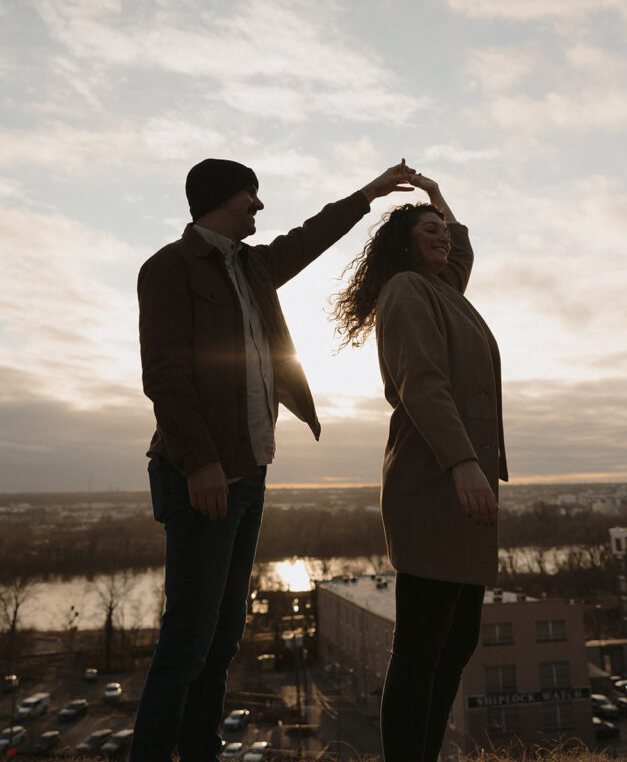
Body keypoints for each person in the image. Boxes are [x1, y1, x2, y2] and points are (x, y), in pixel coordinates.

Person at [131, 157, 416, 762]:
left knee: (222, 636)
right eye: (249, 196)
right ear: (218, 199)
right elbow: (165, 374)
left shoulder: (254, 267)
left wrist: (371, 191)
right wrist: (201, 462)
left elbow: (314, 234)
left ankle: (199, 752)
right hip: (201, 475)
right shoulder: (168, 268)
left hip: (250, 471)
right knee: (188, 637)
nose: (259, 207)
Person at [331, 172, 508, 762]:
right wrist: (462, 464)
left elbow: (461, 248)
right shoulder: (407, 289)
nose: (442, 236)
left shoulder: (444, 291)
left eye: (443, 231)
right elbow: (422, 386)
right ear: (404, 246)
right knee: (422, 646)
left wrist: (434, 196)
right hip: (435, 481)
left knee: (455, 643)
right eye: (428, 230)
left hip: (463, 483)